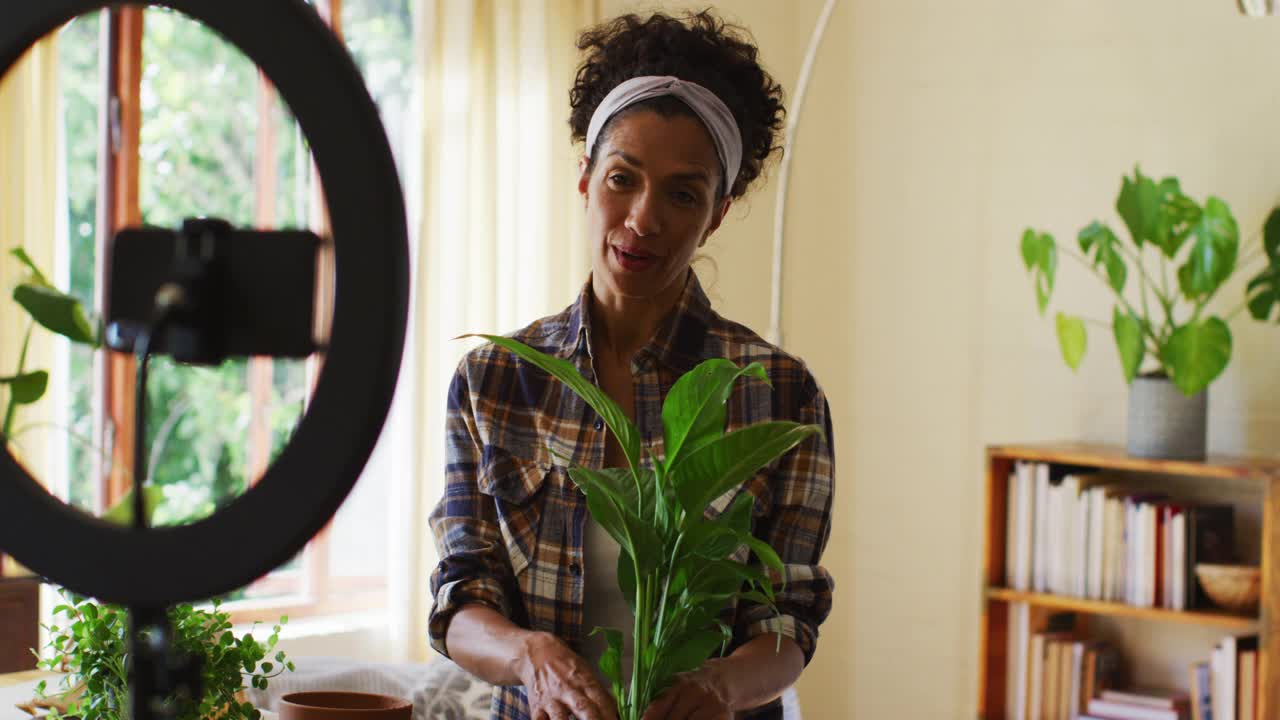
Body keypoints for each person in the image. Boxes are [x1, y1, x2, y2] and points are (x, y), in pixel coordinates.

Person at [427, 10, 835, 720]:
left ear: (716, 214)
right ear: (586, 178)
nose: (644, 219)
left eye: (683, 194)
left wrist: (716, 687)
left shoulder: (780, 395)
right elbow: (462, 597)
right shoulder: (495, 381)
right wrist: (532, 657)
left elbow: (789, 619)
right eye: (624, 178)